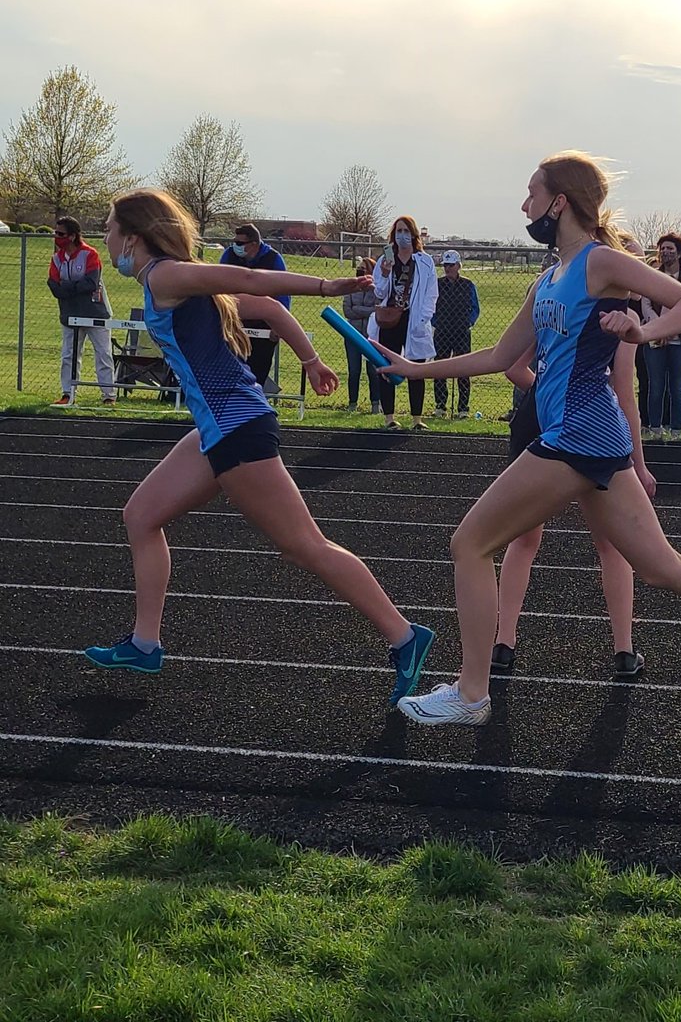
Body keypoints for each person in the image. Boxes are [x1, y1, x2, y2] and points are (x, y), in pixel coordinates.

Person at [377, 151, 681, 726]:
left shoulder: (598, 262)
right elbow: (498, 357)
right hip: (589, 437)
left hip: (578, 435)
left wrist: (642, 328)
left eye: (532, 194)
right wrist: (415, 368)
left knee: (470, 545)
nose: (524, 205)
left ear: (559, 202)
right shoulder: (548, 279)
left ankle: (471, 692)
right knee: (663, 567)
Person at [83, 188, 434, 708]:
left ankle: (404, 637)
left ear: (133, 236)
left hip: (237, 429)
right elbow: (264, 306)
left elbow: (251, 282)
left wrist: (325, 286)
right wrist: (311, 360)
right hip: (218, 428)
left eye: (109, 228)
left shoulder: (165, 275)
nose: (105, 237)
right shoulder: (172, 279)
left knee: (305, 545)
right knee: (141, 516)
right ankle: (144, 643)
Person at [492, 231, 653, 680]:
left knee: (522, 537)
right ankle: (623, 650)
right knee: (612, 543)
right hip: (582, 424)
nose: (642, 272)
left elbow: (511, 365)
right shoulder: (615, 313)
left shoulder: (553, 286)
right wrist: (637, 463)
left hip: (536, 415)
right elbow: (624, 394)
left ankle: (504, 643)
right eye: (636, 262)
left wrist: (548, 391)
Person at [369, 216, 438, 430]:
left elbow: (431, 293)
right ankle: (389, 417)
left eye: (406, 231)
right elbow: (379, 292)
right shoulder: (385, 259)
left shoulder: (424, 262)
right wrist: (384, 273)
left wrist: (423, 318)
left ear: (414, 234)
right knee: (388, 367)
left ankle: (417, 418)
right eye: (398, 231)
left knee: (416, 369)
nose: (402, 236)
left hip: (415, 319)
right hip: (390, 319)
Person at [47, 216, 117, 406]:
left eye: (60, 234)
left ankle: (108, 395)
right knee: (68, 355)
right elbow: (53, 286)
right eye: (56, 233)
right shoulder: (56, 259)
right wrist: (72, 287)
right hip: (70, 315)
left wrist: (67, 286)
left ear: (72, 236)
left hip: (96, 313)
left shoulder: (90, 254)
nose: (56, 237)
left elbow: (91, 283)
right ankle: (67, 394)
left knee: (103, 354)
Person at [641, 233, 681, 441]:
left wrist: (671, 329)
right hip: (655, 338)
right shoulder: (651, 274)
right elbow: (645, 304)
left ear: (680, 252)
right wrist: (659, 329)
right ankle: (654, 428)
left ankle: (676, 429)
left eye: (670, 249)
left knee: (677, 386)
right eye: (663, 249)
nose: (666, 252)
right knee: (655, 385)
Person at [220, 224, 289, 387]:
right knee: (231, 369)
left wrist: (279, 325)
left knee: (259, 371)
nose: (235, 247)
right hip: (234, 322)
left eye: (239, 243)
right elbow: (218, 289)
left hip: (264, 324)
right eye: (234, 242)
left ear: (254, 244)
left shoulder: (273, 259)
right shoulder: (228, 256)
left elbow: (284, 293)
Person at [432, 250, 480, 419]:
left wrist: (469, 322)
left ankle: (463, 407)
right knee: (439, 368)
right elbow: (430, 306)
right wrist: (435, 322)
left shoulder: (468, 285)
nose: (448, 268)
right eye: (445, 265)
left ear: (459, 265)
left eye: (451, 265)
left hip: (461, 331)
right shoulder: (437, 284)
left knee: (463, 370)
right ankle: (440, 405)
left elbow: (475, 308)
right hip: (442, 331)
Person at [342, 256, 381, 413]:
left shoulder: (378, 289)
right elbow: (347, 310)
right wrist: (365, 311)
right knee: (354, 370)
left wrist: (358, 309)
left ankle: (375, 404)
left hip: (371, 336)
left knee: (373, 370)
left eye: (364, 269)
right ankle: (352, 404)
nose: (360, 271)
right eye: (359, 268)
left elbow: (378, 310)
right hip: (352, 334)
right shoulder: (351, 288)